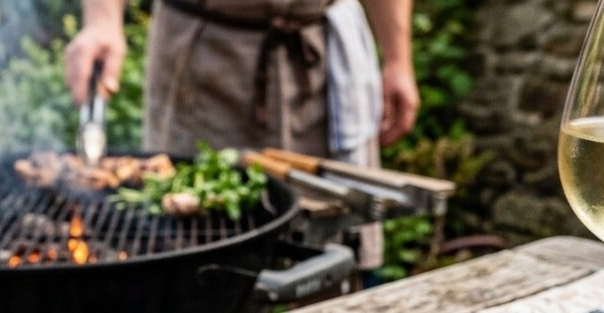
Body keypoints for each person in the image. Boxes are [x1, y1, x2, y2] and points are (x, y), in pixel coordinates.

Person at [64, 0, 419, 269]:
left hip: (321, 51)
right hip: (203, 54)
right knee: (192, 256)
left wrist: (397, 57)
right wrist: (102, 20)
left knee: (331, 249)